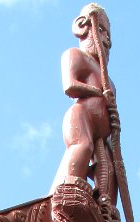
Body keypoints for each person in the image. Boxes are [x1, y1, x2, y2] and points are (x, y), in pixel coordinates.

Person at [52, 4, 120, 210]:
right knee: (83, 146)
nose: (106, 40)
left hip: (103, 135)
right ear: (83, 27)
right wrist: (98, 93)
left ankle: (105, 211)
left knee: (110, 170)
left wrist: (114, 119)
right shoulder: (75, 55)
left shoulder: (110, 81)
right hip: (81, 116)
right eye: (100, 30)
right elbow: (70, 86)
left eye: (108, 35)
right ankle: (65, 192)